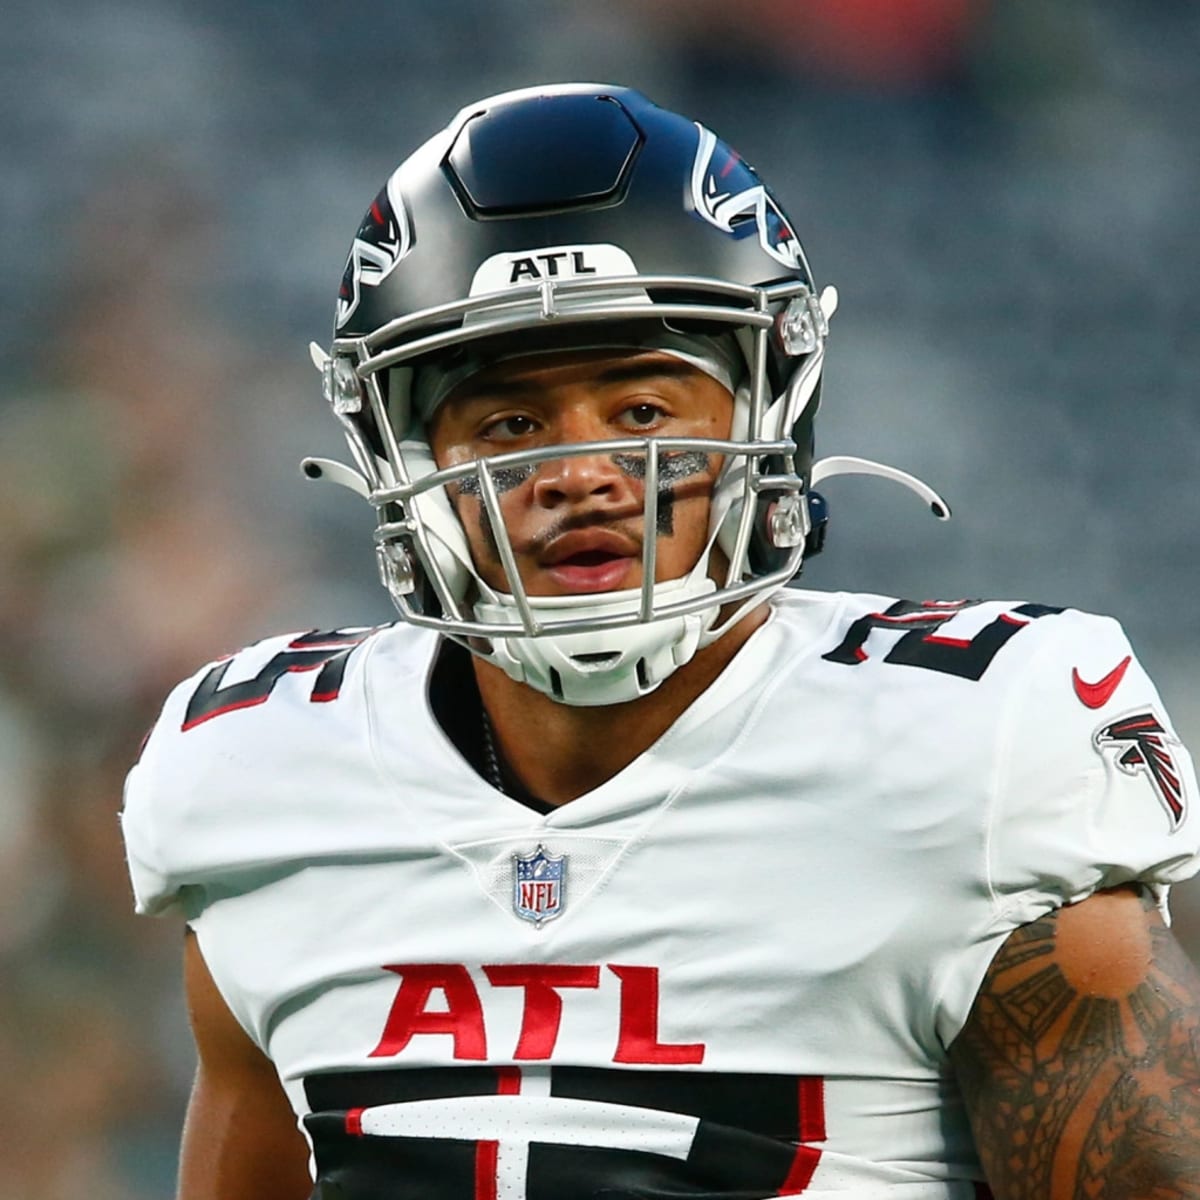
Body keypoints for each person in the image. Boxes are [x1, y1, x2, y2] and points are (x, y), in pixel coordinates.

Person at [121, 84, 1200, 1200]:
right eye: (509, 423)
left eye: (641, 412)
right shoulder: (258, 771)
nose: (579, 473)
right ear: (401, 456)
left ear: (769, 406)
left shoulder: (970, 752)